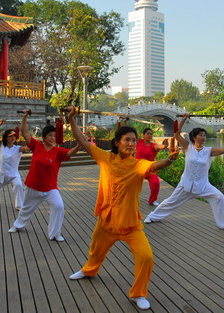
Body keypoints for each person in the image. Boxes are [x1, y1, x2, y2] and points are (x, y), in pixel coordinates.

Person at [66, 106, 178, 311]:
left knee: (146, 257)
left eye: (134, 140)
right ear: (117, 143)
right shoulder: (105, 158)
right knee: (95, 251)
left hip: (130, 225)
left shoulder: (138, 164)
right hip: (107, 221)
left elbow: (155, 166)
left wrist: (170, 158)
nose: (131, 143)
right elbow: (82, 141)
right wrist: (71, 119)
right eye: (127, 140)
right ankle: (89, 271)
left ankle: (138, 294)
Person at [144, 114, 224, 231]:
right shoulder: (188, 147)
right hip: (186, 185)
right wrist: (183, 120)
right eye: (200, 135)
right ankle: (152, 217)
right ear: (194, 137)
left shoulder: (208, 151)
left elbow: (223, 149)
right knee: (170, 201)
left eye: (204, 135)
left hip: (203, 186)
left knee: (219, 197)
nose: (203, 137)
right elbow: (177, 134)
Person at [8, 110, 80, 241]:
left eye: (54, 136)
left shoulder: (58, 151)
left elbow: (70, 153)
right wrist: (24, 117)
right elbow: (24, 132)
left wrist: (79, 144)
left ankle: (55, 233)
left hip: (50, 188)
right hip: (33, 187)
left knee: (59, 206)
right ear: (45, 136)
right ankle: (17, 225)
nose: (53, 138)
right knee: (25, 209)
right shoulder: (37, 146)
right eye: (50, 136)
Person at [136, 128, 168, 206]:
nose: (149, 135)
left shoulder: (153, 145)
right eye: (148, 133)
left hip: (150, 169)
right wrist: (125, 122)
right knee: (131, 184)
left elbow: (160, 147)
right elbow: (130, 133)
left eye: (151, 134)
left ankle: (152, 200)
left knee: (156, 183)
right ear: (143, 135)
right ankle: (131, 198)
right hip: (138, 168)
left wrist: (164, 145)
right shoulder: (139, 141)